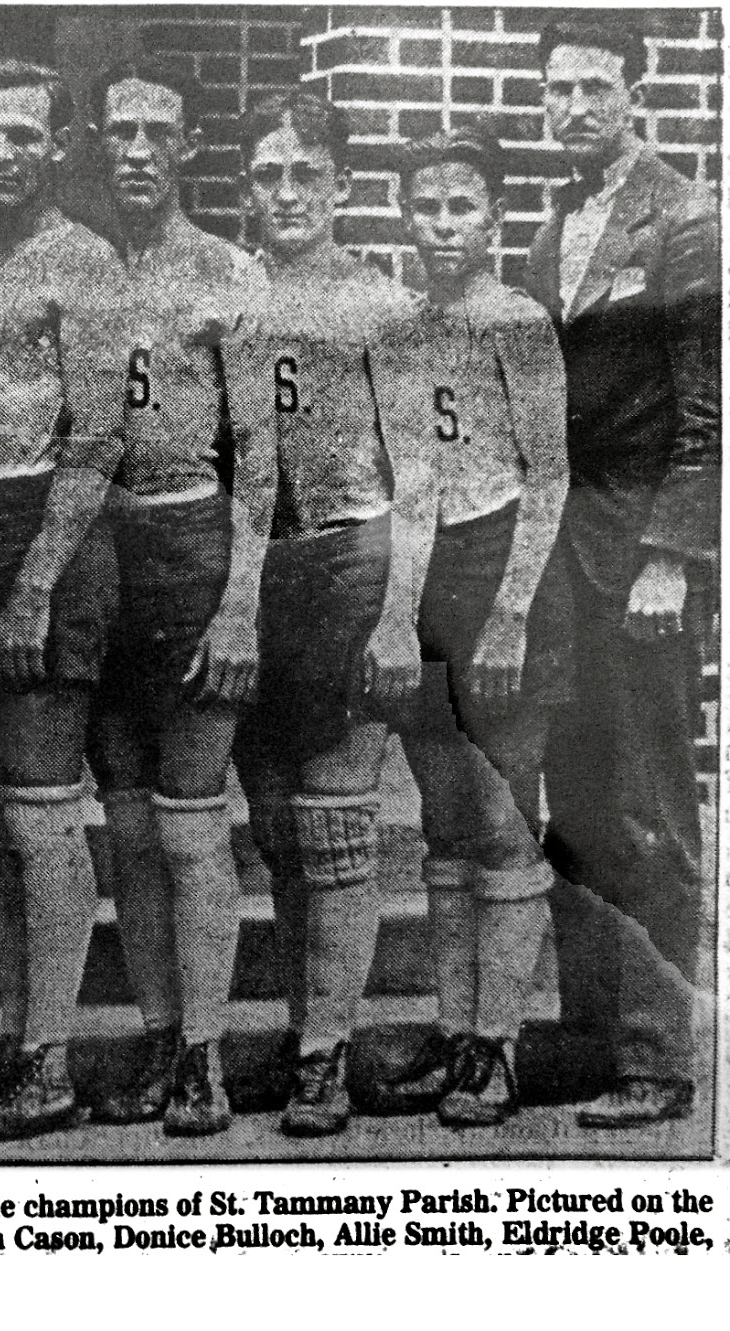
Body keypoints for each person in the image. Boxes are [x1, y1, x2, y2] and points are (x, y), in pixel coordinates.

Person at [0, 58, 126, 1142]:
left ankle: (48, 1058)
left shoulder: (83, 262)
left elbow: (97, 437)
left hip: (47, 534)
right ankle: (13, 1037)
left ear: (59, 146)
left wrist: (36, 584)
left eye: (22, 135)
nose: (0, 153)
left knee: (43, 805)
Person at [527, 21, 719, 1128]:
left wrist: (669, 556)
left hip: (635, 555)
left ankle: (656, 1051)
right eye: (557, 89)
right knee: (578, 795)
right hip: (560, 557)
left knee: (648, 802)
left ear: (634, 91)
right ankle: (589, 1032)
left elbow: (706, 408)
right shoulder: (555, 225)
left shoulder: (686, 218)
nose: (573, 108)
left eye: (594, 87)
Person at [232, 89, 432, 1137]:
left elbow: (423, 480)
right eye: (268, 175)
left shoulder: (384, 308)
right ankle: (308, 1026)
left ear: (343, 185)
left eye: (307, 173)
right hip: (253, 571)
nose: (287, 192)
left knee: (337, 818)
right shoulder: (236, 299)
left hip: (351, 558)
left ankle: (327, 1051)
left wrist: (398, 616)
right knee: (274, 825)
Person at [79, 58, 273, 1137]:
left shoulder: (227, 273)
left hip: (194, 539)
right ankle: (160, 1035)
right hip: (101, 552)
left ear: (187, 145)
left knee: (192, 817)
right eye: (121, 128)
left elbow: (264, 457)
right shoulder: (86, 266)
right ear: (99, 142)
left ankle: (205, 1048)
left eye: (158, 129)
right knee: (126, 816)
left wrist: (240, 602)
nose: (138, 148)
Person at [369, 126, 570, 1128]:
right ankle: (454, 1036)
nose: (440, 224)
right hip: (434, 569)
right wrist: (399, 617)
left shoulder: (517, 320)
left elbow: (549, 475)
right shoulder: (402, 329)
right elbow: (410, 483)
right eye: (424, 204)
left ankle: (499, 1042)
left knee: (500, 815)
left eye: (460, 206)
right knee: (444, 817)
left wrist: (509, 614)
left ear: (492, 217)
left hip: (508, 572)